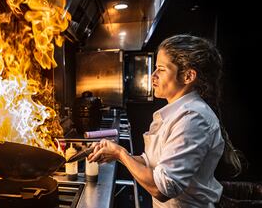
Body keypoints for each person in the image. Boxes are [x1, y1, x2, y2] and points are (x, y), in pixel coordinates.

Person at [88, 34, 242, 207]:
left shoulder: (193, 118)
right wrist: (116, 154)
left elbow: (162, 189)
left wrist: (121, 155)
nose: (153, 75)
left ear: (188, 76)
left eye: (161, 69)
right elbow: (152, 164)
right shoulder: (177, 113)